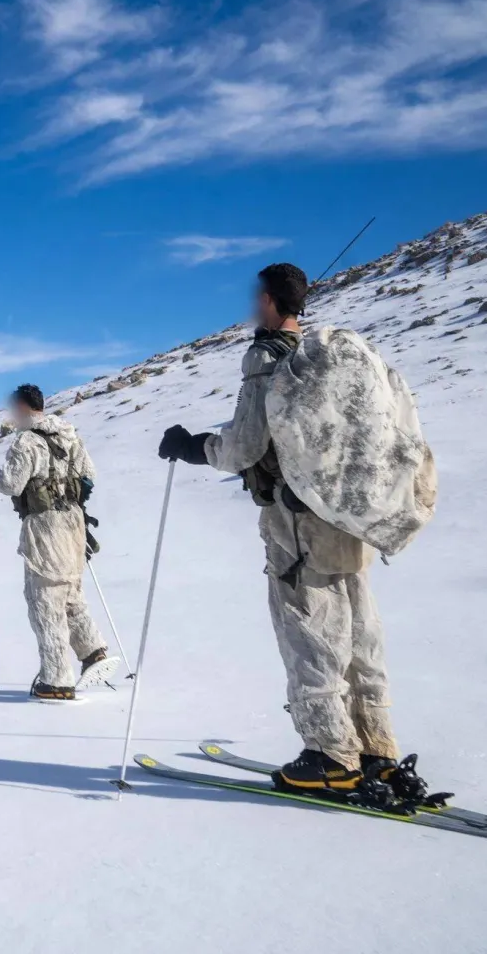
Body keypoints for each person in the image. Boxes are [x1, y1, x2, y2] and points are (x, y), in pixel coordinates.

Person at [157, 262, 403, 794]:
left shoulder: (267, 358)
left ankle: (329, 755)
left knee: (308, 627)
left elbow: (245, 445)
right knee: (359, 626)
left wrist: (194, 446)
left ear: (269, 300)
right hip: (346, 512)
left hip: (295, 521)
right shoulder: (331, 360)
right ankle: (375, 748)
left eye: (254, 298)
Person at [0, 384, 110, 702]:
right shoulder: (67, 433)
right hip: (73, 522)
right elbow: (88, 473)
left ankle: (56, 680)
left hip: (44, 526)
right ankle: (93, 652)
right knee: (71, 592)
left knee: (45, 601)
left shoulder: (26, 440)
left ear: (22, 408)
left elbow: (11, 484)